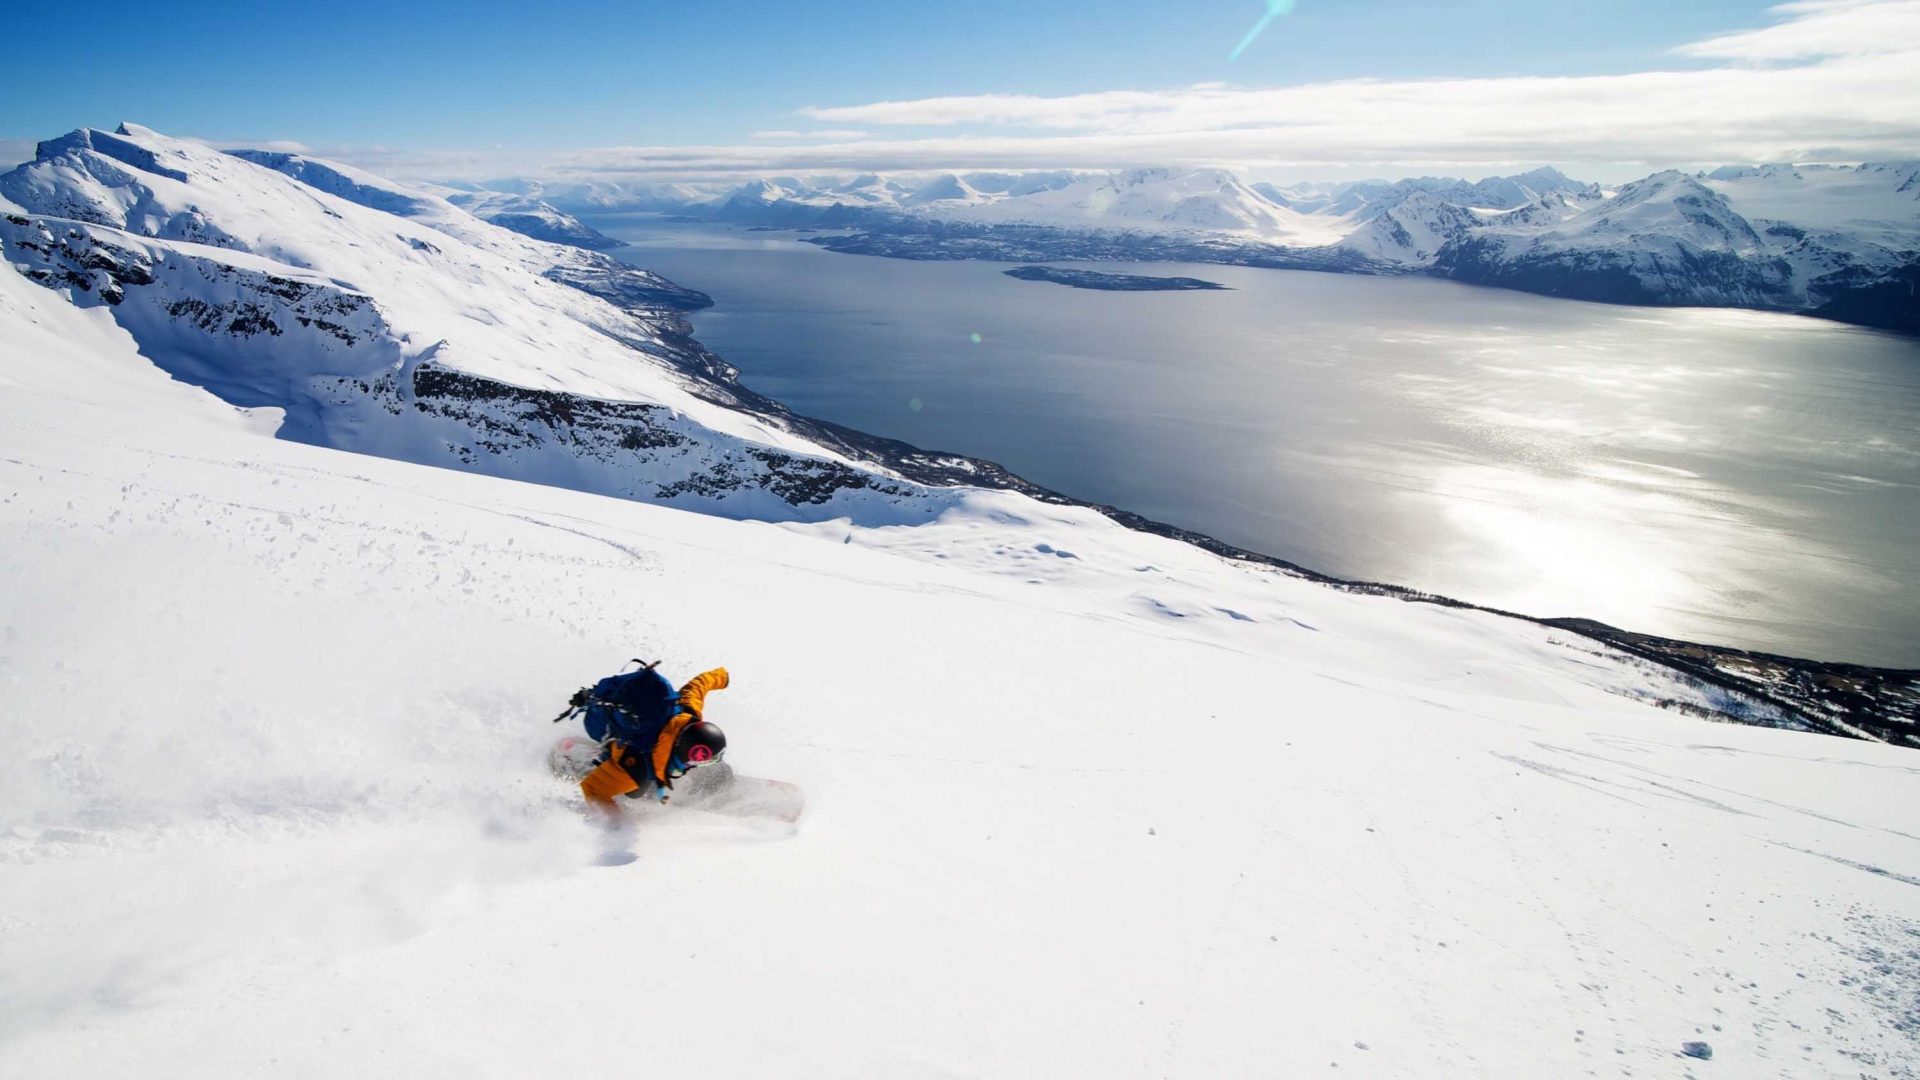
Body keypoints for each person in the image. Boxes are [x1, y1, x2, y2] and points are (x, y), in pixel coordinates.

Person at [555, 662, 730, 810]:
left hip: (629, 726)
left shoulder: (687, 712)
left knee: (643, 783)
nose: (702, 764)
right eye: (704, 760)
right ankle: (586, 762)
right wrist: (617, 828)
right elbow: (593, 792)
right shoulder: (636, 768)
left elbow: (699, 685)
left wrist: (722, 676)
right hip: (605, 728)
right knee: (636, 791)